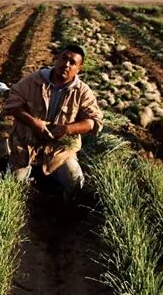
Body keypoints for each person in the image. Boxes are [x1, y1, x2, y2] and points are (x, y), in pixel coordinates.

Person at [5, 44, 104, 192]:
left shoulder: (82, 91)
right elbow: (12, 103)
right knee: (13, 184)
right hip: (26, 146)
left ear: (79, 69)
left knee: (76, 182)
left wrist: (67, 129)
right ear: (57, 59)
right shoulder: (34, 80)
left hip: (59, 151)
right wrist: (33, 123)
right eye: (64, 58)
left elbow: (94, 121)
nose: (66, 64)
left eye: (72, 63)